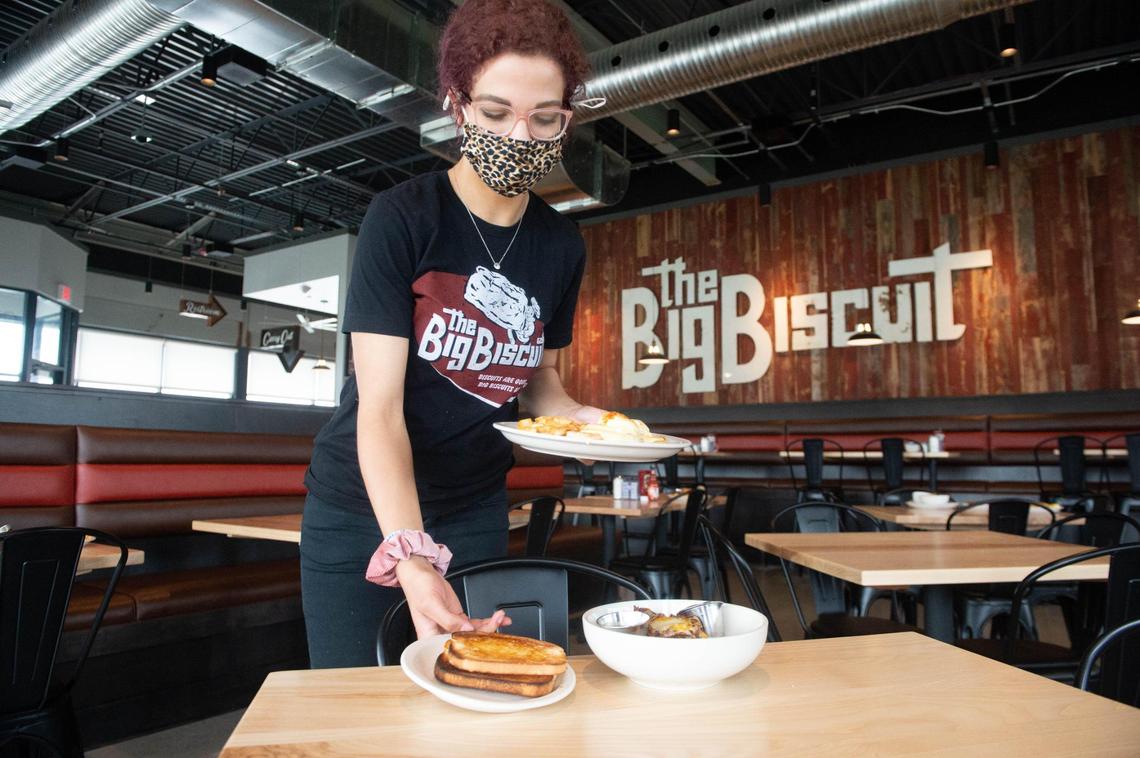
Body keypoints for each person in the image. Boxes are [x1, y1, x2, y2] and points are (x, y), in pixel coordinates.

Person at [300, 0, 604, 668]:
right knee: (355, 708)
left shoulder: (561, 245)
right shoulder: (404, 218)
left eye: (543, 118)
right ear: (457, 106)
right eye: (496, 113)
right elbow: (377, 409)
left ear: (566, 120)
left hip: (474, 504)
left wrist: (593, 424)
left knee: (469, 694)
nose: (520, 135)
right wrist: (407, 553)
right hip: (361, 505)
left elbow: (540, 384)